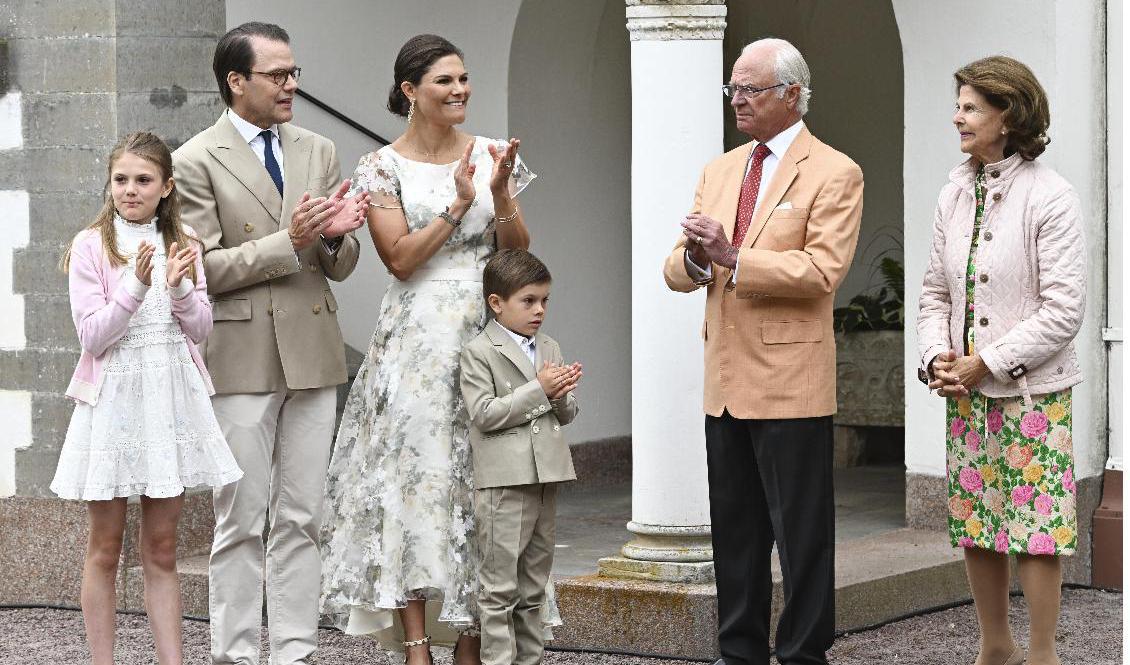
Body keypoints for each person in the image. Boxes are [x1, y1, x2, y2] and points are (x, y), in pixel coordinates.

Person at [319, 34, 551, 664]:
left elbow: (516, 255)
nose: (460, 91)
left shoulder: (493, 153)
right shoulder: (381, 167)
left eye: (464, 79)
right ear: (410, 91)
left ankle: (474, 638)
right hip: (416, 343)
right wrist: (458, 205)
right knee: (414, 482)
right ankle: (417, 645)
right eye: (445, 81)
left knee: (483, 484)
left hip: (484, 333)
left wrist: (500, 195)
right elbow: (398, 259)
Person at [171, 21, 368, 665]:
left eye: (294, 73)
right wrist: (292, 240)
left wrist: (336, 238)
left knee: (304, 515)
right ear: (236, 81)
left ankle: (294, 649)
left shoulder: (318, 147)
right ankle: (235, 651)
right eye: (277, 75)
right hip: (242, 356)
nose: (292, 85)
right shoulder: (195, 159)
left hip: (313, 349)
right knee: (241, 518)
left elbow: (338, 264)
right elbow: (203, 269)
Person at [663, 38, 864, 665]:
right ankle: (739, 651)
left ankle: (804, 653)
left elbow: (821, 271)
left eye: (750, 89)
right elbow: (676, 267)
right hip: (724, 381)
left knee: (802, 536)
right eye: (733, 88)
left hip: (791, 380)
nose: (737, 100)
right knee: (736, 533)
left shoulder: (835, 171)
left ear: (792, 94)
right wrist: (696, 258)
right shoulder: (721, 169)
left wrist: (733, 257)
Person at [917, 56, 1085, 665]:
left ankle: (1042, 654)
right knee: (976, 520)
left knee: (1037, 527)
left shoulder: (1052, 196)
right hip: (964, 391)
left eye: (969, 108)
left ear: (1007, 115)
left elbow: (1064, 311)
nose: (956, 117)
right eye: (958, 105)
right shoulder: (954, 191)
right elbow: (936, 289)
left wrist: (985, 361)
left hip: (1033, 394)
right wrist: (938, 355)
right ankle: (995, 648)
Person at [52, 131, 242, 665]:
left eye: (143, 180)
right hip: (113, 402)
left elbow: (201, 326)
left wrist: (181, 286)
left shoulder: (183, 245)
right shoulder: (93, 245)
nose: (130, 190)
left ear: (166, 187)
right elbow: (93, 337)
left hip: (169, 401)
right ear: (109, 183)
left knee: (162, 548)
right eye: (121, 179)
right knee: (105, 548)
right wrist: (135, 288)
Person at [459, 249, 581, 665]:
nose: (540, 309)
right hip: (503, 483)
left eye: (545, 300)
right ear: (497, 303)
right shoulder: (479, 350)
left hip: (545, 477)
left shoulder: (549, 346)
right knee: (499, 590)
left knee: (533, 587)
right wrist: (540, 390)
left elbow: (564, 415)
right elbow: (484, 414)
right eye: (528, 301)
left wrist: (562, 393)